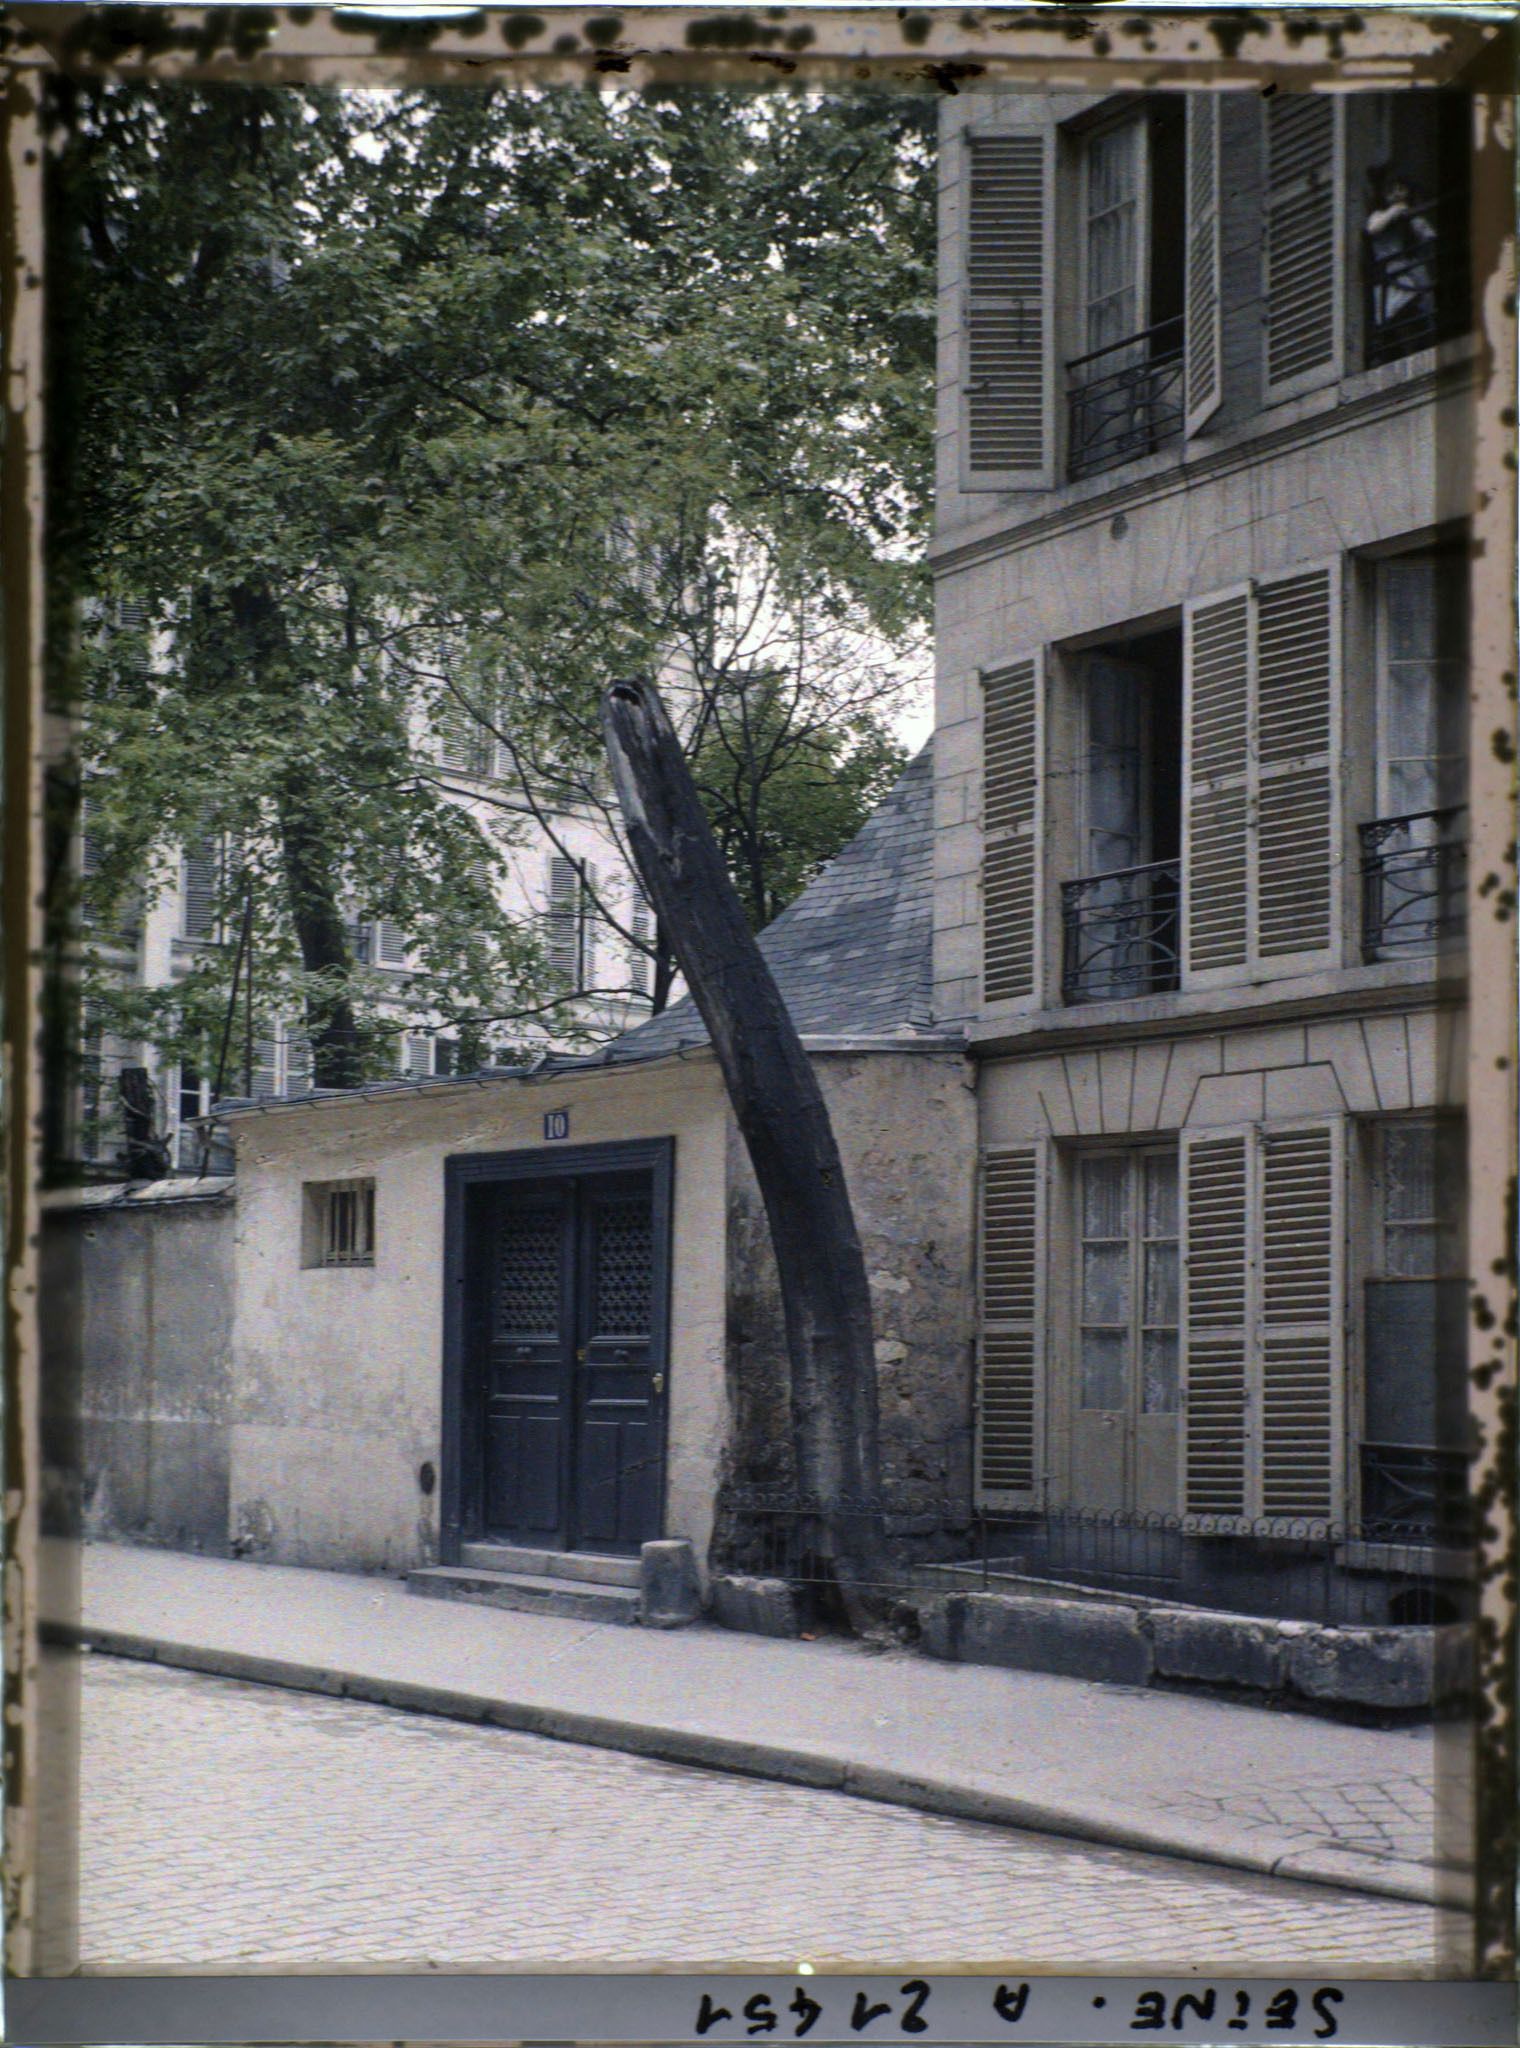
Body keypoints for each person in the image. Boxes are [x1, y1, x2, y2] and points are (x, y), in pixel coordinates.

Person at [1365, 163, 1438, 343]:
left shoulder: (1414, 218)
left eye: (1401, 189)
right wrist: (1395, 210)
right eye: (1392, 190)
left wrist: (1412, 219)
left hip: (1411, 272)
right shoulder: (1379, 215)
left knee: (1419, 315)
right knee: (1401, 315)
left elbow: (1430, 238)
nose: (1397, 193)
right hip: (1392, 275)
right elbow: (1372, 228)